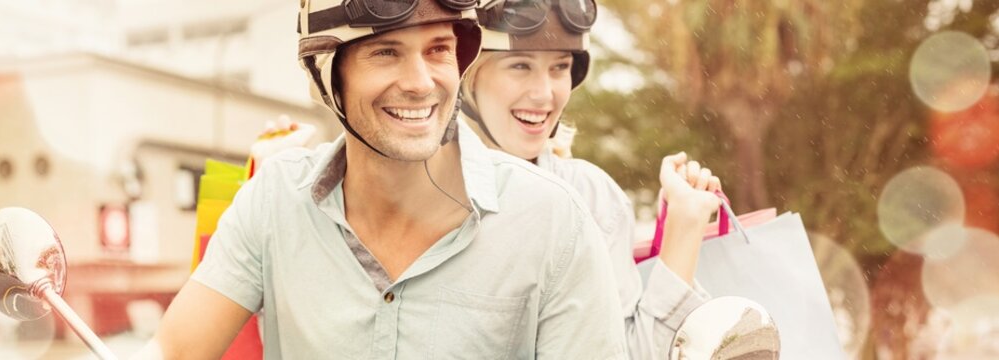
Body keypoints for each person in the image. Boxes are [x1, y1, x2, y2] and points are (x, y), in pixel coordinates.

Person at [143, 0, 630, 358]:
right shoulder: (273, 200)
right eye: (385, 53)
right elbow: (172, 352)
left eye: (438, 50)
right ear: (326, 75)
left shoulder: (554, 222)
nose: (420, 82)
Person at [458, 0, 731, 358]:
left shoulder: (592, 197)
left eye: (560, 67)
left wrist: (685, 222)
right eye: (520, 66)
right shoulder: (421, 189)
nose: (544, 93)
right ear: (468, 77)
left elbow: (631, 353)